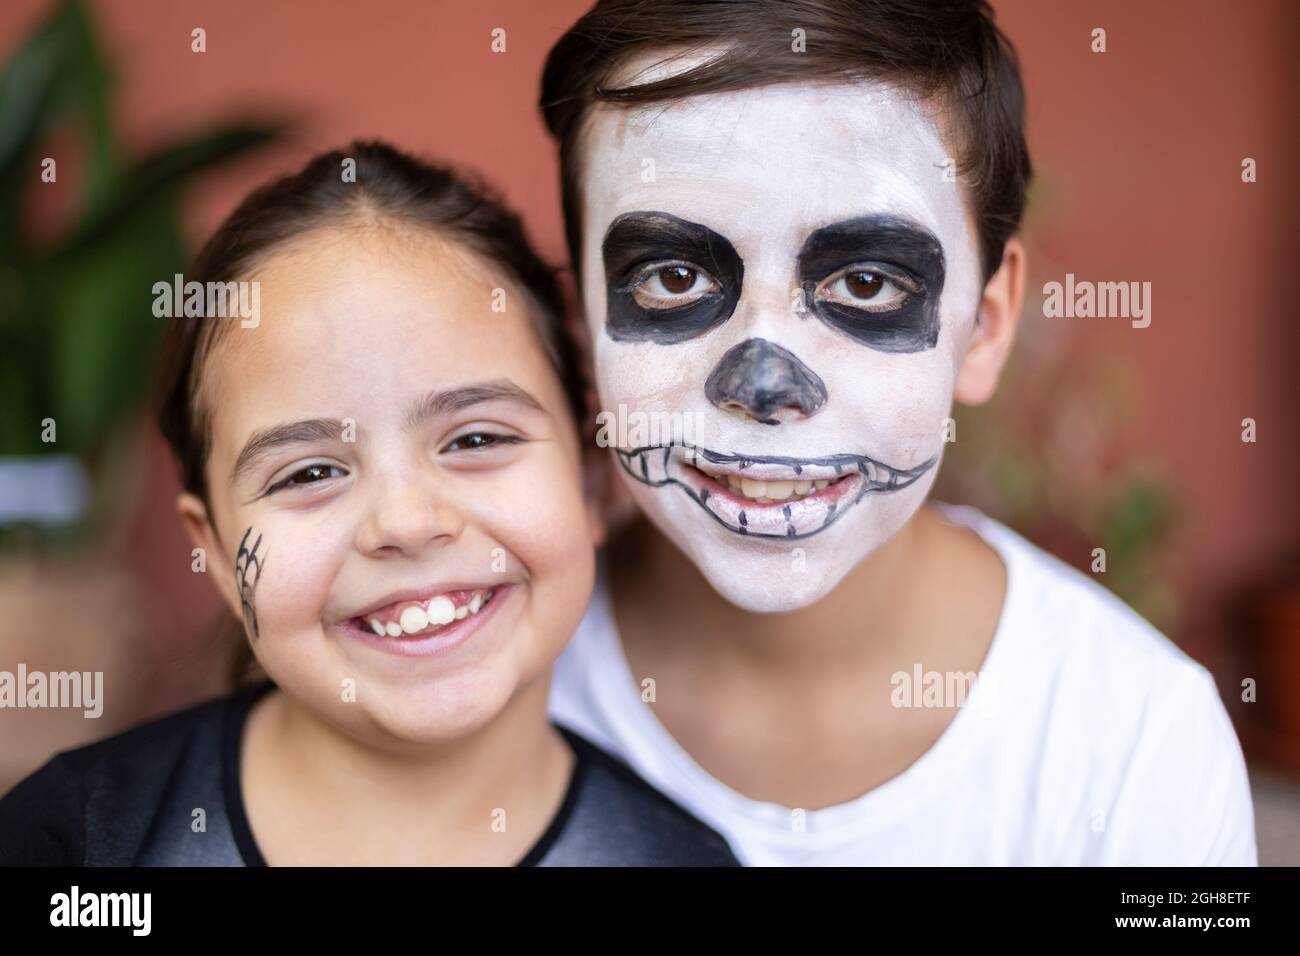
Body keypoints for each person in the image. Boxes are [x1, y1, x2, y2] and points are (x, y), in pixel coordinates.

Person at [541, 0, 1257, 864]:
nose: (765, 386)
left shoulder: (1134, 751)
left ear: (986, 327)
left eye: (870, 284)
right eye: (675, 274)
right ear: (580, 318)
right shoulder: (486, 685)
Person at [0, 141, 738, 867]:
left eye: (476, 437)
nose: (408, 523)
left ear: (590, 479)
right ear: (220, 555)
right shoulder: (78, 841)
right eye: (307, 473)